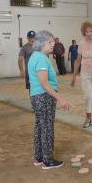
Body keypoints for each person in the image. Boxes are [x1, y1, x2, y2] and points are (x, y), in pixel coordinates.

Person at [28, 30, 72, 170]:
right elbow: (45, 83)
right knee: (46, 126)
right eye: (50, 42)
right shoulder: (41, 58)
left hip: (36, 96)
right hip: (44, 97)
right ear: (42, 43)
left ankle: (39, 157)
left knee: (40, 126)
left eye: (53, 41)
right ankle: (48, 160)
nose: (53, 44)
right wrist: (61, 99)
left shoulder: (35, 56)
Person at [71, 21, 92, 128]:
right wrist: (74, 77)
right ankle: (88, 118)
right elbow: (77, 61)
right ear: (83, 33)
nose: (89, 33)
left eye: (90, 31)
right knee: (88, 96)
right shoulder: (81, 44)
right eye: (86, 32)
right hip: (85, 74)